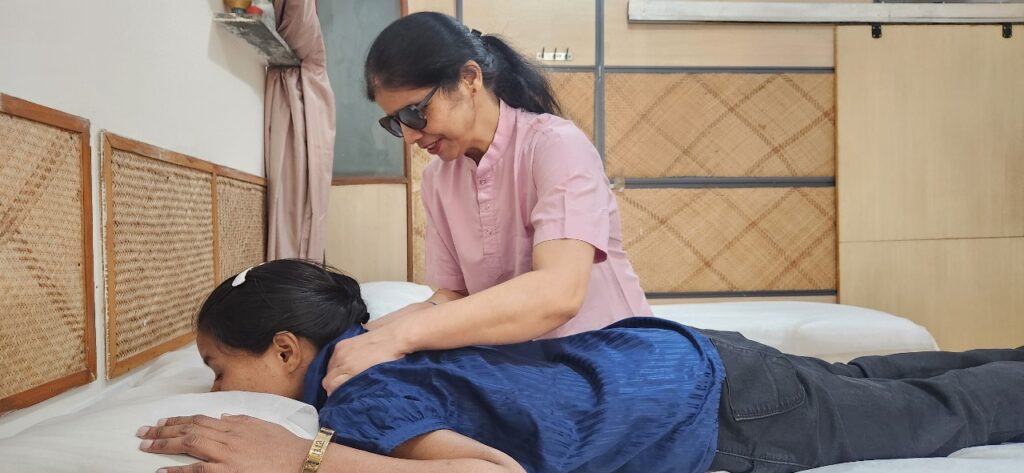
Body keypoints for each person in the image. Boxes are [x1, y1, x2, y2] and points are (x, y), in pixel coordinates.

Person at [138, 260, 1024, 473]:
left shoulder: (356, 395)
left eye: (219, 367)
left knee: (940, 413)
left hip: (704, 414)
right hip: (678, 358)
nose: (218, 392)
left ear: (287, 350)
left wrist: (304, 455)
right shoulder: (390, 335)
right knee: (883, 378)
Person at [321, 12, 651, 394]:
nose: (410, 137)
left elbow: (559, 293)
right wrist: (362, 338)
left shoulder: (554, 146)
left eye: (415, 112)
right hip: (532, 373)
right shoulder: (438, 180)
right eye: (396, 122)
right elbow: (451, 297)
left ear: (469, 79)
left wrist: (403, 336)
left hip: (616, 366)